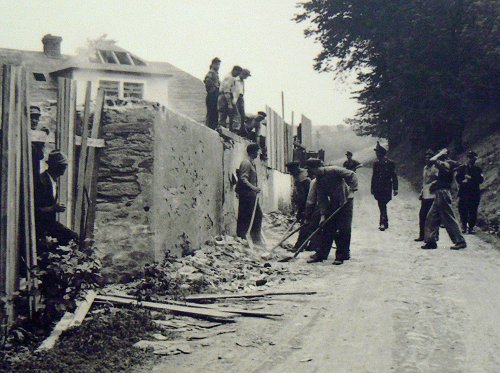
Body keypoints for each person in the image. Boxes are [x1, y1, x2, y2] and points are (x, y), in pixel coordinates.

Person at [305, 158, 358, 265]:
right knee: (328, 228)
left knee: (343, 229)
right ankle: (321, 255)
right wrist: (323, 216)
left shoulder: (334, 170)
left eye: (312, 170)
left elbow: (352, 175)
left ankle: (341, 255)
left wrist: (352, 191)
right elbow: (322, 199)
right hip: (334, 203)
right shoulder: (318, 181)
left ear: (317, 167)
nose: (311, 173)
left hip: (345, 202)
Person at [421, 148, 467, 250]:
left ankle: (460, 241)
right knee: (431, 217)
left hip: (443, 193)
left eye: (441, 153)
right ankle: (431, 241)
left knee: (448, 217)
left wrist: (440, 154)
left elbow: (432, 160)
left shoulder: (447, 163)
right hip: (439, 192)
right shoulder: (444, 163)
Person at [34, 150, 79, 246]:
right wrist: (53, 208)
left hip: (49, 223)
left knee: (73, 237)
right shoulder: (41, 181)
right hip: (39, 225)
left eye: (65, 165)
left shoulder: (54, 181)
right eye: (62, 165)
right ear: (54, 166)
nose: (64, 168)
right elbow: (34, 209)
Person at [236, 143, 264, 245]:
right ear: (253, 152)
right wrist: (254, 188)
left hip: (251, 195)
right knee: (246, 216)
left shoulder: (252, 163)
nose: (258, 153)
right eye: (257, 151)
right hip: (247, 195)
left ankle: (255, 239)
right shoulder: (246, 163)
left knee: (257, 215)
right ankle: (243, 238)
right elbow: (243, 179)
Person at [371, 142, 398, 231]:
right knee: (381, 204)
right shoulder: (376, 163)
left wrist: (395, 188)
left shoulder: (390, 163)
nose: (376, 154)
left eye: (377, 152)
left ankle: (383, 223)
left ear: (381, 153)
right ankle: (384, 222)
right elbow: (374, 176)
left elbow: (394, 175)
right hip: (378, 188)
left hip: (387, 187)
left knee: (382, 204)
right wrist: (372, 188)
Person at [286, 161, 312, 251]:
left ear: (295, 169)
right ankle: (311, 245)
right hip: (310, 203)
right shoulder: (300, 175)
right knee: (311, 225)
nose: (290, 173)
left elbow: (303, 197)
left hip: (310, 204)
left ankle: (299, 246)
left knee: (305, 225)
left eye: (291, 171)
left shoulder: (302, 179)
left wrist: (301, 211)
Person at [456, 151, 484, 234]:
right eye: (470, 157)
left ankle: (471, 227)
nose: (471, 159)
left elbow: (481, 180)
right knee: (462, 209)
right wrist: (462, 181)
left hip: (474, 192)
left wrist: (471, 178)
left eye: (473, 158)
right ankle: (464, 226)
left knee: (473, 210)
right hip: (464, 192)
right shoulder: (462, 168)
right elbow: (457, 178)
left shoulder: (478, 169)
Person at [415, 149, 439, 242]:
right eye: (426, 157)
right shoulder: (425, 168)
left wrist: (434, 184)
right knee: (422, 215)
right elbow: (424, 182)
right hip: (425, 195)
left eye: (429, 157)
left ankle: (433, 237)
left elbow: (439, 179)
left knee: (432, 217)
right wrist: (421, 192)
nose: (428, 159)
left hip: (433, 195)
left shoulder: (435, 168)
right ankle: (422, 235)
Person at [218, 65, 242, 131]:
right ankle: (228, 129)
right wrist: (229, 104)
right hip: (225, 97)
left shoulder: (231, 78)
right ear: (234, 70)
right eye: (238, 73)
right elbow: (226, 91)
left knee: (226, 114)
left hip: (225, 96)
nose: (238, 75)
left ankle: (226, 129)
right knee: (226, 114)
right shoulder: (229, 77)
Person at [203, 57, 221, 130]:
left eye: (219, 65)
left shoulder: (215, 73)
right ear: (213, 64)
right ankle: (209, 129)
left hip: (215, 95)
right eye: (217, 64)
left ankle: (212, 128)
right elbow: (207, 81)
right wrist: (215, 87)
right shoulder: (211, 73)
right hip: (212, 95)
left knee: (215, 114)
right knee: (211, 114)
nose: (218, 66)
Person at [234, 68, 251, 133]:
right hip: (236, 97)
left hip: (241, 97)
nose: (246, 78)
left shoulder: (242, 81)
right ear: (244, 74)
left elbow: (242, 90)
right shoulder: (236, 79)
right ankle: (235, 129)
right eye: (246, 76)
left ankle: (241, 130)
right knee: (236, 113)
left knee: (242, 114)